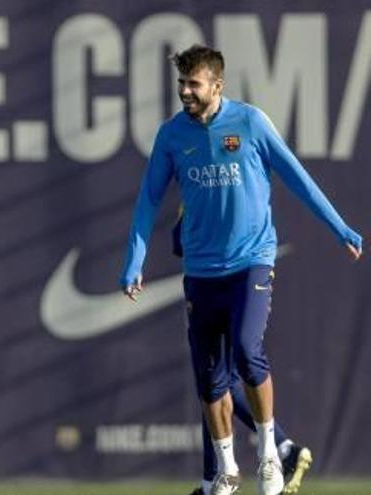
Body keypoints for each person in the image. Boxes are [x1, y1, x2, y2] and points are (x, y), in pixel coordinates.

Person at [119, 45, 361, 495]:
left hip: (251, 261)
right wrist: (134, 262)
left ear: (217, 85)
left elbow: (296, 177)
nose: (185, 91)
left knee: (248, 351)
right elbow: (149, 199)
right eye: (181, 83)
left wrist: (340, 227)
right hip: (200, 269)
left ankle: (270, 452)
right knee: (211, 379)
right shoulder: (172, 135)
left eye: (194, 84)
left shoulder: (250, 122)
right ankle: (225, 473)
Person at [174, 217, 313, 495]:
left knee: (218, 380)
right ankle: (281, 450)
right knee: (214, 382)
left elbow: (180, 240)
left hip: (228, 278)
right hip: (224, 277)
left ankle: (226, 475)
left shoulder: (215, 187)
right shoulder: (204, 184)